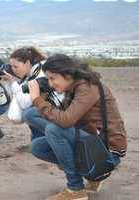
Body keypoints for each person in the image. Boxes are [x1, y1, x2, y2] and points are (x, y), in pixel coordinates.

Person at [27, 54, 127, 200]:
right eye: (48, 79)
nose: (50, 83)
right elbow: (64, 117)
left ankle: (75, 189)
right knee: (37, 144)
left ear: (67, 74)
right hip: (92, 143)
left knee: (53, 130)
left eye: (52, 78)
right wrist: (44, 98)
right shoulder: (74, 87)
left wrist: (36, 99)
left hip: (107, 152)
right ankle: (89, 176)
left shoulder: (87, 86)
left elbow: (66, 121)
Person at [1, 46, 63, 140]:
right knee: (32, 109)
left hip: (61, 108)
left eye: (16, 66)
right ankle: (39, 140)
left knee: (29, 113)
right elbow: (14, 96)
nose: (13, 70)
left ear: (27, 63)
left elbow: (25, 103)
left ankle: (59, 134)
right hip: (54, 106)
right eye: (11, 67)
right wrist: (8, 82)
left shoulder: (39, 73)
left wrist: (13, 83)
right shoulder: (33, 71)